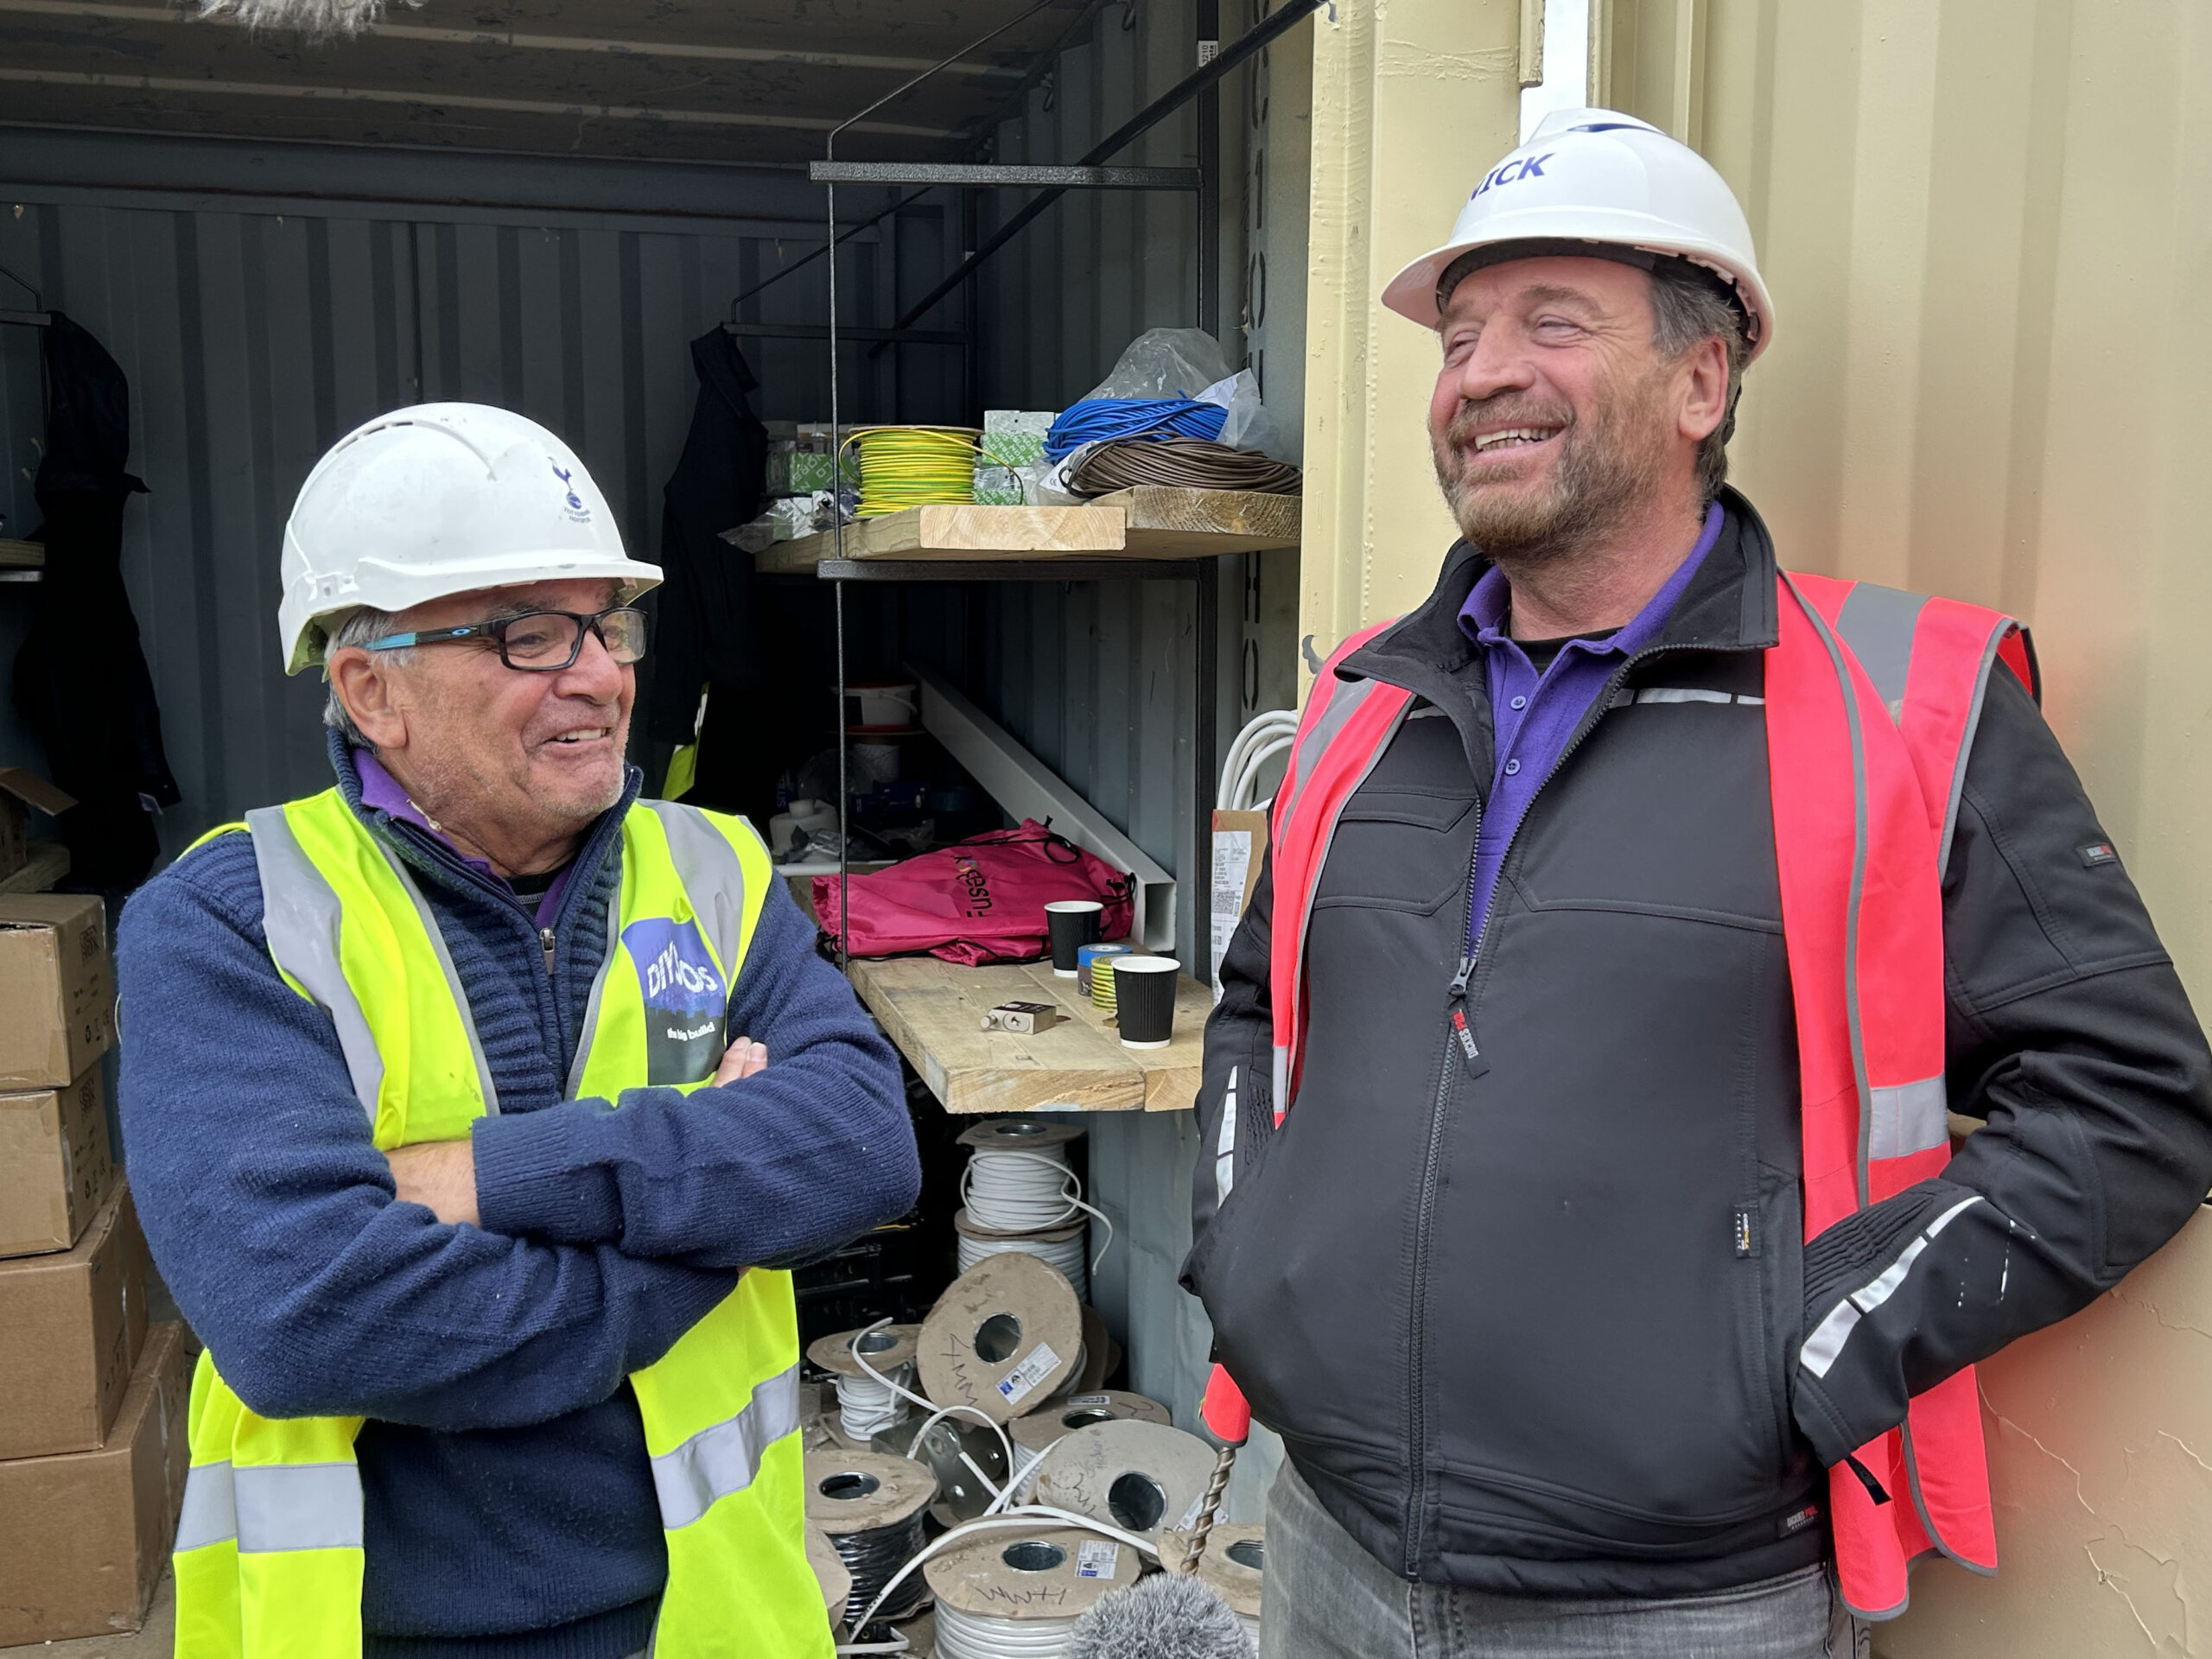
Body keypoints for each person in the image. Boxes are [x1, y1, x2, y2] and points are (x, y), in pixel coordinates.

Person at [1184, 110, 2212, 1658]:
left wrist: (1808, 1351)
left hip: (1679, 1610)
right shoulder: (1359, 707)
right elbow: (1257, 1007)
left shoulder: (1899, 706)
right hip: (1326, 1555)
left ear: (1703, 378)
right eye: (1460, 336)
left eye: (1551, 322)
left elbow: (2134, 1107)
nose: (1480, 376)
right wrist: (1239, 1249)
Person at [118, 404, 919, 1659]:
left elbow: (864, 1149)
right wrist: (713, 1220)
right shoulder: (235, 919)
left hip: (713, 1617)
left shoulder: (715, 868)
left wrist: (487, 1178)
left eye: (608, 625)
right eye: (527, 635)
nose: (599, 675)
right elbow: (302, 1312)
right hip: (391, 1633)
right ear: (371, 688)